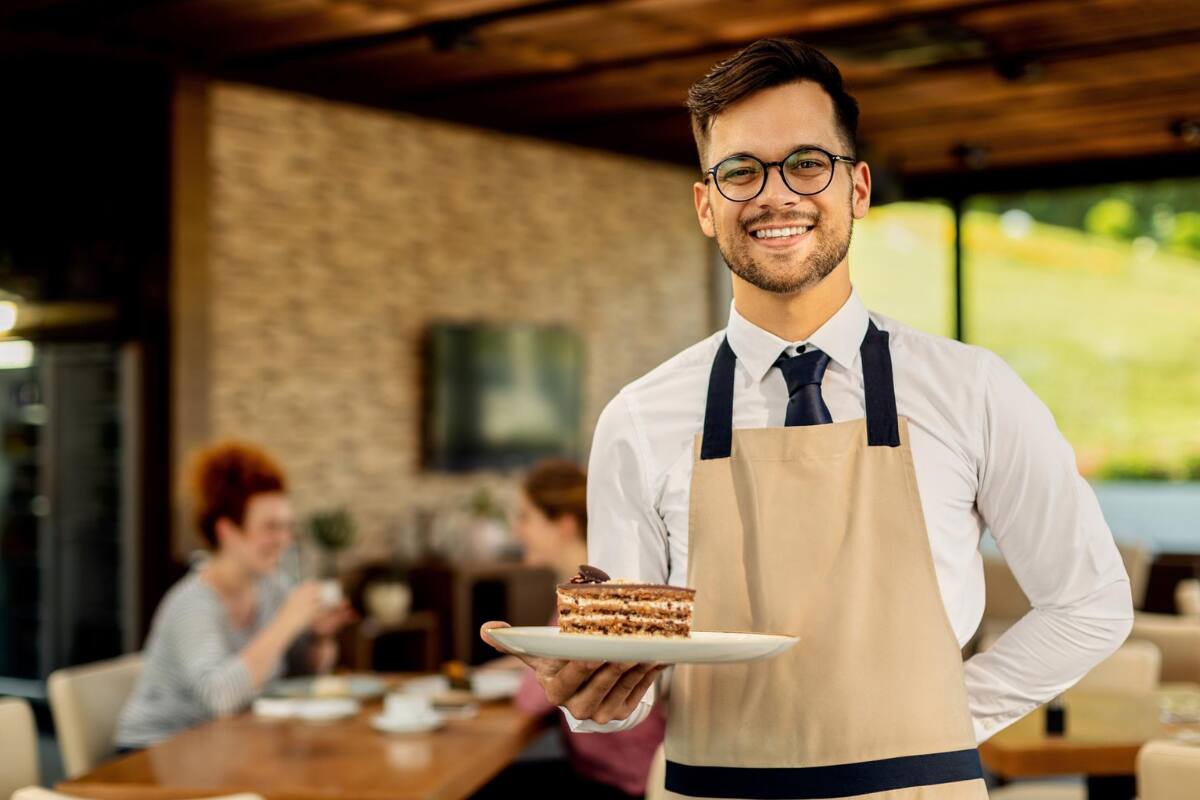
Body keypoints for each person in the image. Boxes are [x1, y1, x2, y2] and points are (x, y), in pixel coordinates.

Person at [483, 38, 1134, 799]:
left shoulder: (974, 391)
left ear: (857, 188)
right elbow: (625, 682)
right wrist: (592, 701)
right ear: (706, 206)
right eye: (740, 171)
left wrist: (941, 720)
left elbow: (1089, 603)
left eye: (806, 163)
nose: (776, 195)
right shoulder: (638, 419)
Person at [115, 441, 354, 748]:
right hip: (154, 752)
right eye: (270, 527)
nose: (284, 539)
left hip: (223, 748)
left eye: (287, 527)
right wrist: (286, 622)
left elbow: (298, 674)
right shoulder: (191, 603)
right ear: (227, 531)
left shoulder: (273, 588)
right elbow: (220, 699)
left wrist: (319, 637)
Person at [479, 459, 665, 799]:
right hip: (615, 772)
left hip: (622, 783)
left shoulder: (587, 600)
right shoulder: (599, 580)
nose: (516, 531)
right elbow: (554, 655)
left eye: (526, 517)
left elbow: (531, 700)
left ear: (563, 525)